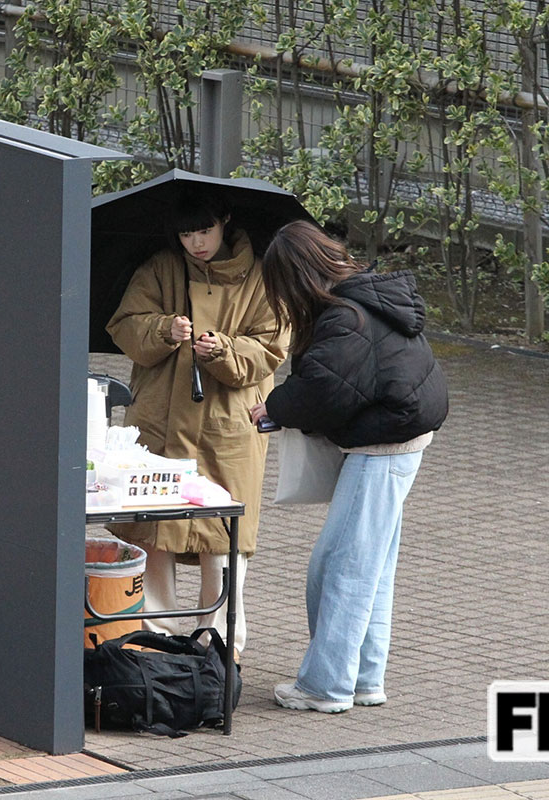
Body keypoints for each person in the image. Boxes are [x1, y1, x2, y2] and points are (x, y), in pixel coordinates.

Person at [248, 220, 447, 713]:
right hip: (402, 437)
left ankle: (326, 685)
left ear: (295, 277)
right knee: (369, 567)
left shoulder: (345, 317)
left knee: (340, 567)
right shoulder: (364, 296)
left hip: (383, 447)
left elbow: (324, 388)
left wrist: (275, 406)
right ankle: (363, 678)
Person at [105, 189, 289, 655]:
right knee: (151, 528)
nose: (197, 243)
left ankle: (220, 645)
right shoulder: (160, 268)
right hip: (159, 420)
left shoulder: (262, 276)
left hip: (228, 427)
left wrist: (223, 350)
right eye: (187, 234)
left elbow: (271, 347)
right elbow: (125, 325)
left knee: (224, 535)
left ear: (225, 221)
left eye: (204, 231)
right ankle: (152, 638)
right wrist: (163, 329)